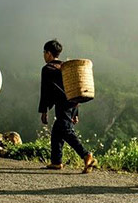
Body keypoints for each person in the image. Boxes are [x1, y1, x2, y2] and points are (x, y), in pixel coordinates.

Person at [39, 39, 96, 173]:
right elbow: (75, 89)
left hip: (62, 103)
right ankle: (56, 161)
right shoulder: (65, 67)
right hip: (72, 102)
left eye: (44, 53)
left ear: (48, 53)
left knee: (65, 130)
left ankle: (86, 155)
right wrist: (75, 113)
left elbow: (45, 92)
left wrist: (44, 111)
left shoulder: (47, 69)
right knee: (57, 131)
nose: (43, 56)